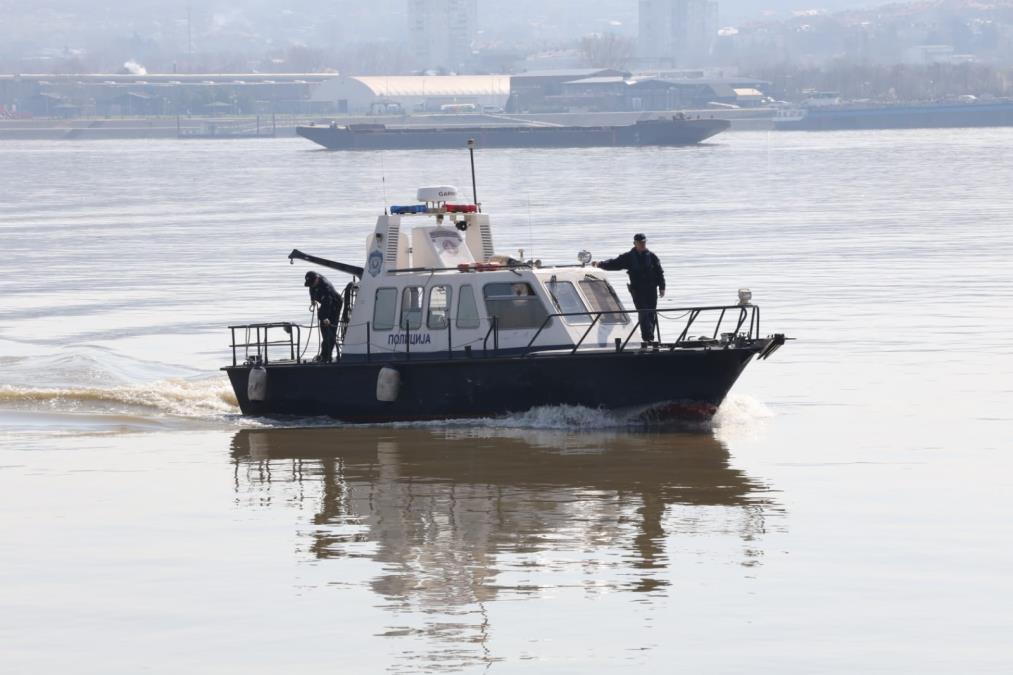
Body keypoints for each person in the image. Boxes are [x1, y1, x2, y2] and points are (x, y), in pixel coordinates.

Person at [593, 233, 666, 344]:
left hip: (651, 290)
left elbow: (659, 273)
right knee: (643, 312)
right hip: (638, 290)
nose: (642, 244)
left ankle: (651, 337)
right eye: (639, 242)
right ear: (634, 243)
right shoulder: (628, 257)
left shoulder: (652, 256)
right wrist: (600, 264)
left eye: (643, 242)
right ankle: (647, 338)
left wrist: (662, 287)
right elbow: (614, 263)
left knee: (651, 313)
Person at [305, 270, 343, 363]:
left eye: (312, 283)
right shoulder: (314, 283)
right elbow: (311, 288)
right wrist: (312, 299)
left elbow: (328, 303)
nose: (311, 285)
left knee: (329, 331)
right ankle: (323, 355)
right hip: (325, 304)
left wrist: (325, 317)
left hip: (334, 305)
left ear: (317, 279)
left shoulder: (326, 287)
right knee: (323, 330)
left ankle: (327, 356)